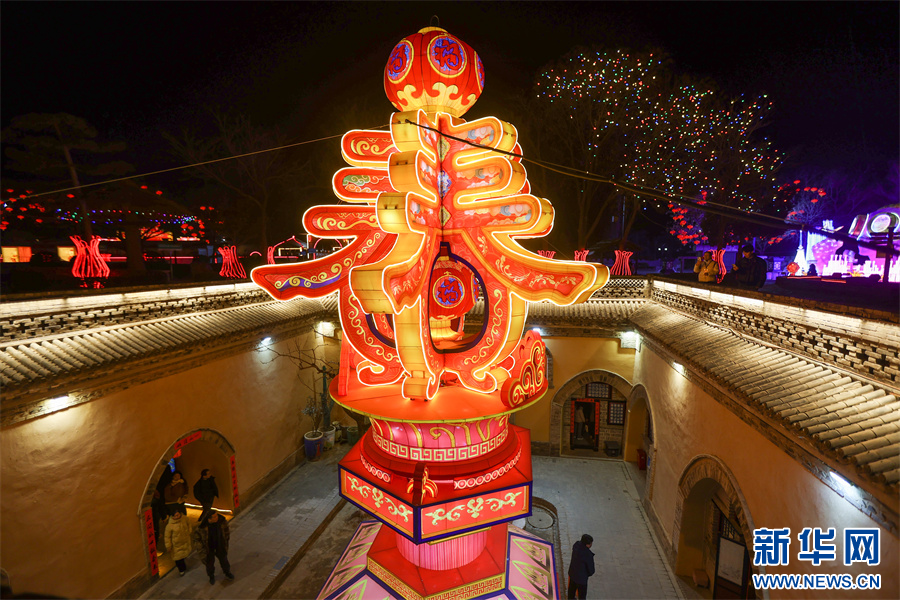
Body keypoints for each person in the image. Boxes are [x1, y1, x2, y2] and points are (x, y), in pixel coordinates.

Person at [193, 510, 234, 584]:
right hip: (208, 548)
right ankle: (211, 576)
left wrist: (226, 540)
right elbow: (197, 539)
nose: (217, 517)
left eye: (216, 515)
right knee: (210, 564)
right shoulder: (202, 527)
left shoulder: (221, 522)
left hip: (220, 545)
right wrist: (201, 549)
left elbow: (226, 531)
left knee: (224, 561)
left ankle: (227, 572)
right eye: (214, 517)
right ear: (209, 519)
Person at [164, 507, 192, 576]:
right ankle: (181, 570)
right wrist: (168, 546)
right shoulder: (170, 526)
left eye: (178, 515)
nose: (177, 517)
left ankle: (183, 566)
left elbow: (189, 524)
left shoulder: (184, 519)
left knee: (183, 555)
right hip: (176, 545)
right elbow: (167, 537)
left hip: (185, 541)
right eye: (175, 516)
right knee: (178, 558)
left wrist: (189, 531)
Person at [567, 533, 595, 600]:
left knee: (571, 590)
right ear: (587, 544)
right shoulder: (588, 554)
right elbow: (591, 570)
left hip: (572, 573)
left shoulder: (576, 545)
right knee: (582, 595)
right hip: (581, 579)